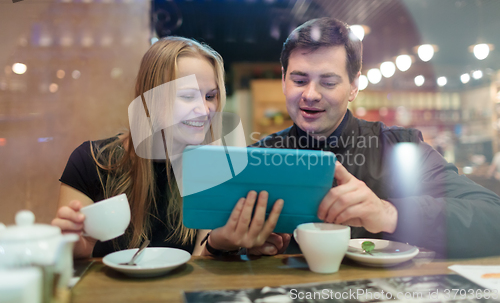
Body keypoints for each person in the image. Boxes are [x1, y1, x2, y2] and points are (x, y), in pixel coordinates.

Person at [252, 17, 500, 258]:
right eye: (299, 80)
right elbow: (220, 236)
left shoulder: (400, 148)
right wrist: (226, 246)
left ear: (353, 86)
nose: (311, 94)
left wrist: (390, 213)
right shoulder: (259, 158)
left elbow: (492, 216)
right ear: (284, 80)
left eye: (328, 82)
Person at [52, 37, 288, 258]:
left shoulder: (213, 170)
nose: (205, 110)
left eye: (210, 96)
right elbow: (73, 253)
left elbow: (201, 263)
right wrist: (73, 245)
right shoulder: (90, 161)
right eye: (187, 96)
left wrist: (220, 245)